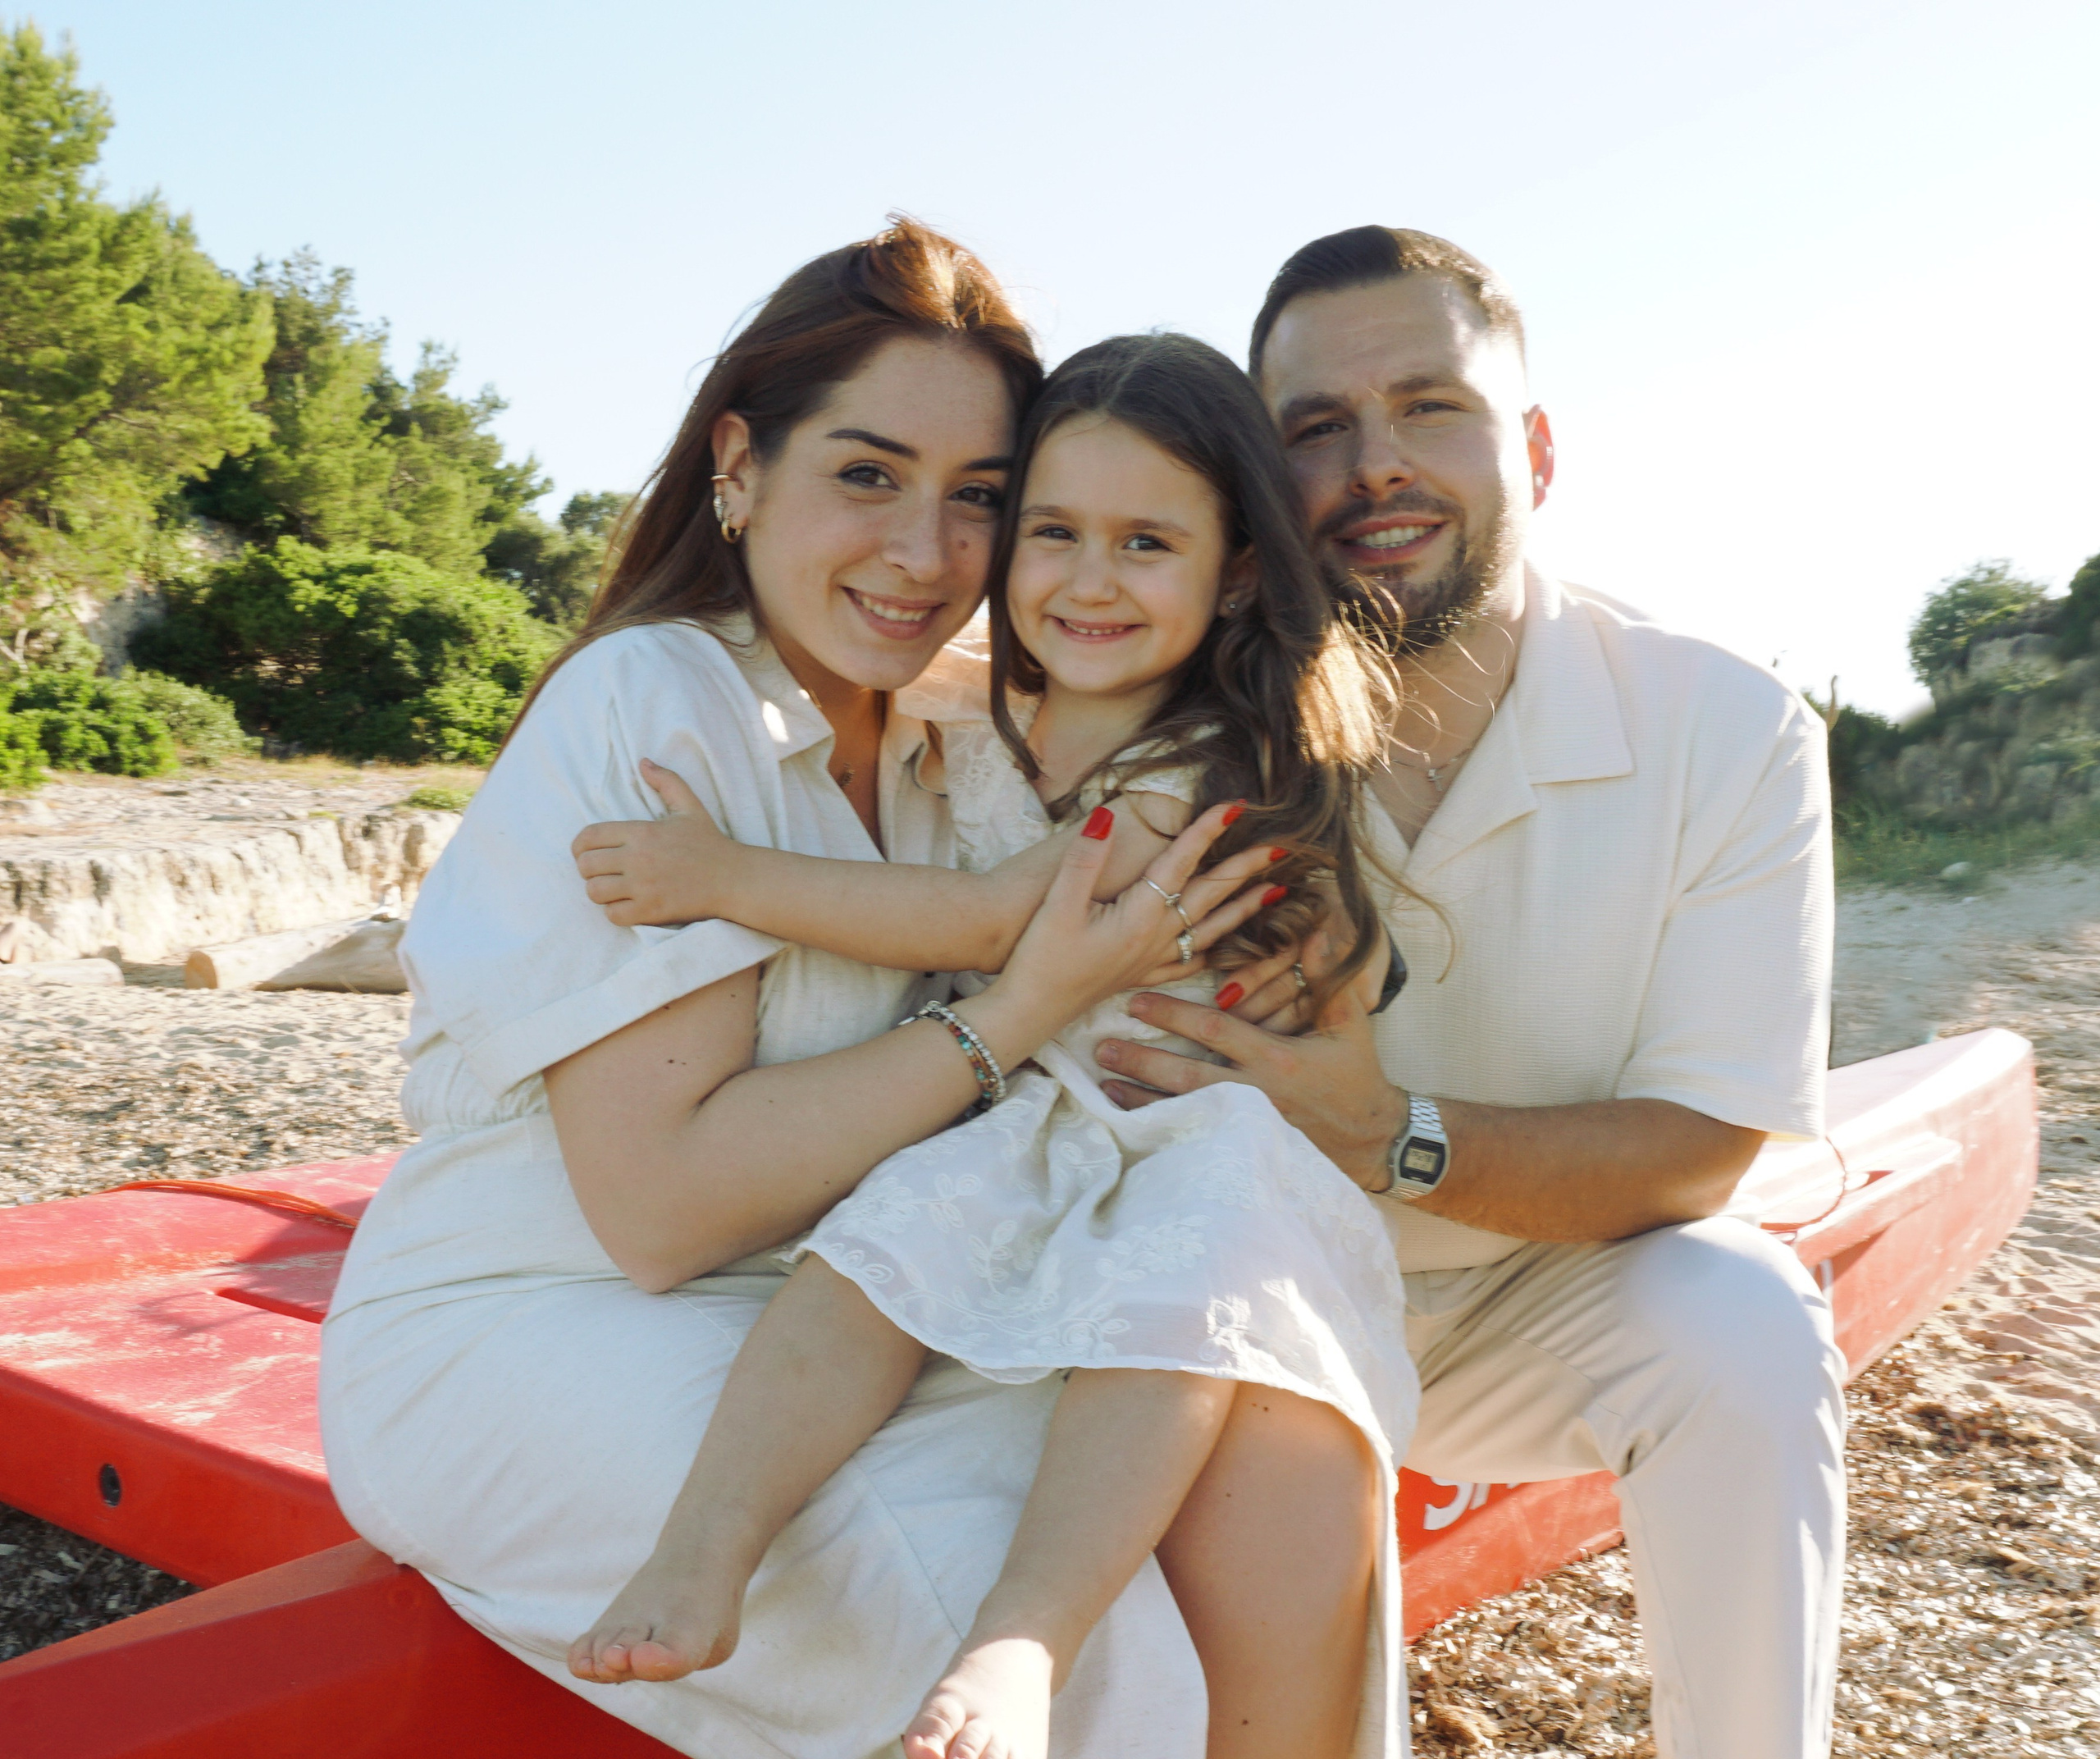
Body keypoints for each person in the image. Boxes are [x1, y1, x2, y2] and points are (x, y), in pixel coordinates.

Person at [317, 221, 1381, 1759]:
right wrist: (1015, 1015)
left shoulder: (967, 737)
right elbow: (664, 1213)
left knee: (1283, 1450)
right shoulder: (662, 703)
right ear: (738, 468)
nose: (924, 554)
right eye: (868, 475)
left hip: (872, 1290)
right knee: (1092, 1674)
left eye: (980, 503)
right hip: (559, 1318)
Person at [565, 333, 1417, 1759]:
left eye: (1146, 542)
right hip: (1033, 1115)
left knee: (1168, 1332)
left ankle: (1024, 1639)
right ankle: (702, 1554)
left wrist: (721, 876)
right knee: (855, 1276)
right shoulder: (1006, 714)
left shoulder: (1186, 769)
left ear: (1241, 575)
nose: (1088, 581)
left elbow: (976, 918)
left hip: (1179, 1139)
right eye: (1051, 534)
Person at [1089, 228, 1845, 1759]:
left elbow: (1698, 1156)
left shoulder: (1726, 726)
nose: (1378, 466)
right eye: (1317, 427)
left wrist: (1386, 1134)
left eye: (1432, 406)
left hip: (1534, 1291)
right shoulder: (1173, 700)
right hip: (1233, 1308)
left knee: (1748, 1321)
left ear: (1539, 450)